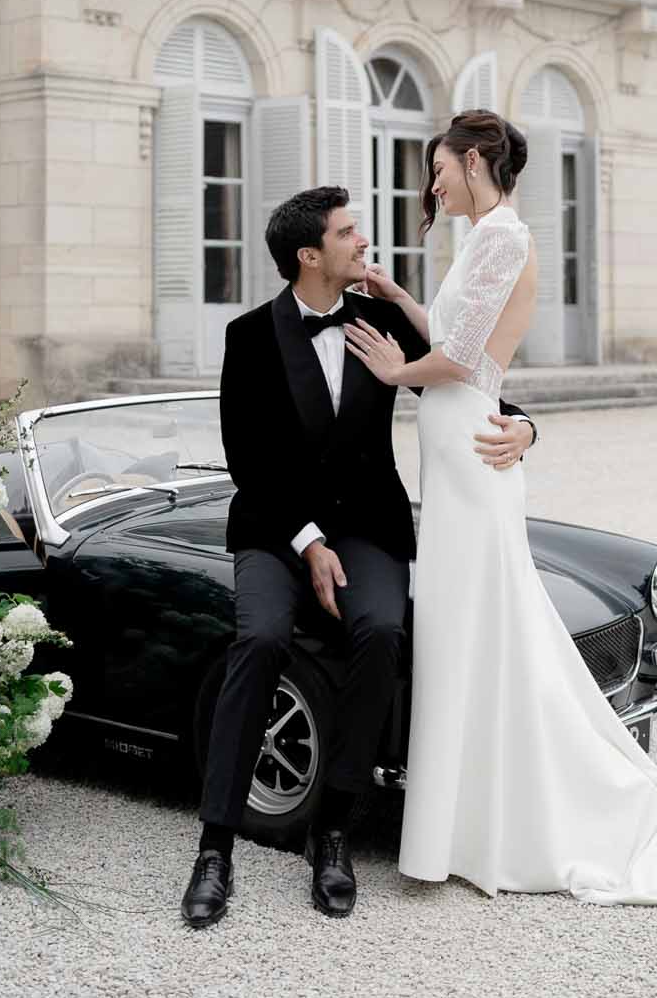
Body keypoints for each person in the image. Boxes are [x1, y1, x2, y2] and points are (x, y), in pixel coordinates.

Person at [345, 111, 657, 905]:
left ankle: (508, 818)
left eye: (440, 167)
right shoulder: (485, 237)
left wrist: (393, 373)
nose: (433, 183)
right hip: (459, 445)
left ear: (475, 160)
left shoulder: (502, 239)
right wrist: (397, 298)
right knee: (466, 632)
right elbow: (460, 340)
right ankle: (461, 820)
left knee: (479, 631)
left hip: (468, 449)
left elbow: (454, 364)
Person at [180, 185, 537, 929]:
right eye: (348, 233)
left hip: (370, 528)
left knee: (380, 631)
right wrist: (307, 544)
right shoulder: (248, 336)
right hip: (278, 528)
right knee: (261, 638)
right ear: (309, 255)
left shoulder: (377, 320)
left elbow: (473, 378)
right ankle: (215, 845)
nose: (362, 242)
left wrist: (526, 430)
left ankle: (333, 830)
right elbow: (247, 460)